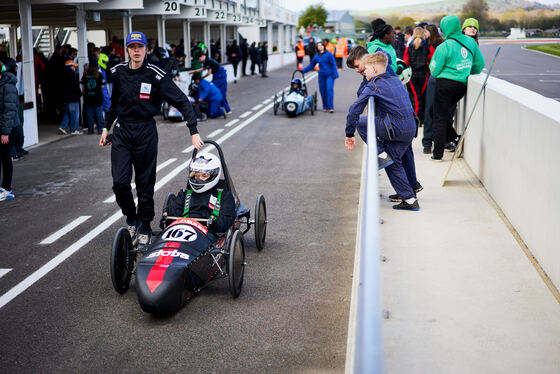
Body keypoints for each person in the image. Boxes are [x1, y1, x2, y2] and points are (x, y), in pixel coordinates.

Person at [99, 31, 203, 251]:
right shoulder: (117, 73)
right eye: (132, 47)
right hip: (122, 131)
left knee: (145, 185)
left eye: (140, 47)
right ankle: (132, 219)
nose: (136, 51)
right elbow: (114, 105)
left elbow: (182, 101)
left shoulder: (156, 74)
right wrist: (106, 128)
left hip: (145, 131)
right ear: (126, 50)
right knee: (120, 183)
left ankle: (145, 227)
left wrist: (193, 131)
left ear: (147, 49)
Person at [345, 52, 420, 211]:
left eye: (366, 69)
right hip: (410, 128)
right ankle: (410, 199)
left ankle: (380, 154)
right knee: (392, 162)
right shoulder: (395, 80)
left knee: (361, 122)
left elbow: (353, 111)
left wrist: (349, 134)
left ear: (373, 68)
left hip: (396, 128)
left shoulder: (374, 85)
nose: (364, 72)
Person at [429, 15, 485, 161]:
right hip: (461, 86)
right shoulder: (470, 42)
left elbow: (434, 70)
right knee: (433, 112)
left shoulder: (444, 46)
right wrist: (464, 71)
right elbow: (479, 65)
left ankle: (438, 154)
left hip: (444, 86)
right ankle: (455, 137)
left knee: (439, 118)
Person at [167, 153, 236, 234]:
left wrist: (214, 224)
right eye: (196, 175)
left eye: (204, 175)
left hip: (209, 235)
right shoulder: (184, 195)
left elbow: (227, 220)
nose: (198, 180)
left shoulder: (224, 196)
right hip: (183, 232)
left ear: (214, 175)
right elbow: (171, 219)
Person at [422, 24, 444, 154]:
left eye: (426, 31)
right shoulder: (426, 43)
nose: (424, 33)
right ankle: (428, 143)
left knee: (433, 111)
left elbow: (436, 63)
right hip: (433, 78)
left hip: (436, 79)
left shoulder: (439, 44)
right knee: (430, 111)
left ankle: (431, 143)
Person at [403, 27, 433, 123]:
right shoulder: (428, 46)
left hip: (413, 75)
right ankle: (424, 119)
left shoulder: (409, 47)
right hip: (425, 75)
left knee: (415, 98)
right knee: (424, 97)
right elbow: (433, 59)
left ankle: (416, 119)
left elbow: (406, 62)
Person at [301, 41, 338, 113]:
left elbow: (333, 64)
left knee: (329, 90)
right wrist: (303, 71)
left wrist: (335, 74)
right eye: (318, 46)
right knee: (323, 91)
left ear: (324, 46)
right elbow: (311, 65)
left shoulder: (329, 54)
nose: (320, 47)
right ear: (317, 48)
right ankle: (325, 106)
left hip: (329, 75)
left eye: (321, 45)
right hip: (321, 75)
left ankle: (331, 107)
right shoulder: (316, 56)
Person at [0, 61, 18, 201]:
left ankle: (7, 188)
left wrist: (5, 132)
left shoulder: (8, 86)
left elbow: (10, 110)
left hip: (7, 128)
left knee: (5, 158)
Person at [58, 59, 82, 135]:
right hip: (73, 97)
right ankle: (74, 130)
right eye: (73, 66)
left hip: (67, 97)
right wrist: (79, 93)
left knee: (68, 112)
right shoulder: (71, 74)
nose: (74, 68)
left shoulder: (63, 74)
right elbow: (75, 86)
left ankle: (63, 126)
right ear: (70, 66)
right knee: (74, 113)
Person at [81, 65, 105, 134]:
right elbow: (102, 86)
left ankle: (90, 130)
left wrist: (87, 92)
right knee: (99, 114)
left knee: (89, 114)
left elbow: (83, 87)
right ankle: (99, 129)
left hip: (88, 97)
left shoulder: (85, 75)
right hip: (97, 97)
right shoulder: (99, 75)